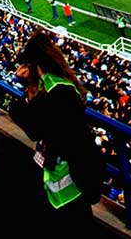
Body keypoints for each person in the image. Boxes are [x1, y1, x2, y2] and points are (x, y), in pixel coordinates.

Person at [8, 32, 104, 225]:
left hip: (68, 181)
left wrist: (23, 88)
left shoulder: (55, 91)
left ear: (34, 65)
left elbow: (33, 127)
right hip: (68, 178)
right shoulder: (58, 84)